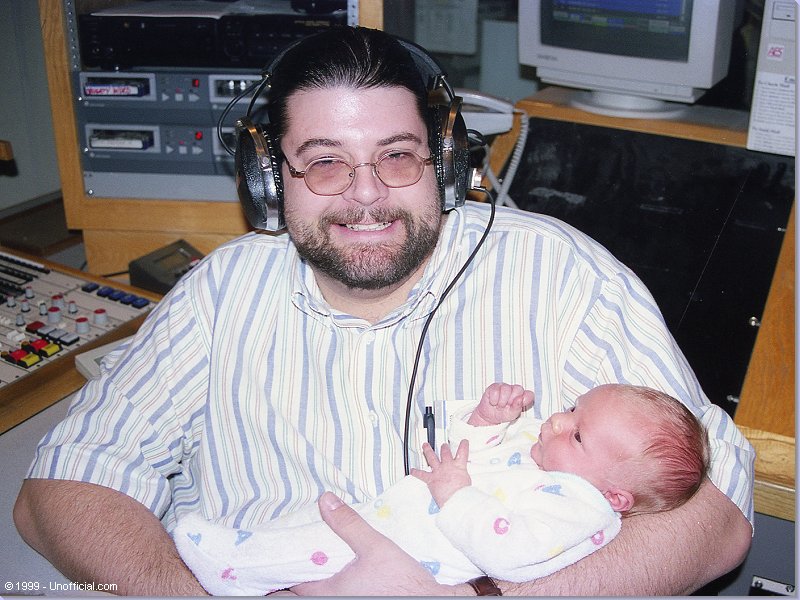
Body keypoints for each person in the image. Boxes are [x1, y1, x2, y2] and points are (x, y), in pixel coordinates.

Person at [14, 27, 753, 596]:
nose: (365, 196)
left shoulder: (561, 274)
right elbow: (61, 490)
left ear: (446, 163)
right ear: (273, 181)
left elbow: (714, 511)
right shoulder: (222, 290)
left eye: (397, 157)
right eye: (325, 160)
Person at [174, 382, 709, 596]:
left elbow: (508, 549)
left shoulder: (582, 509)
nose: (555, 422)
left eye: (577, 431)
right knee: (304, 532)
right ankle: (243, 550)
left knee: (311, 552)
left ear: (615, 496)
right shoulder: (549, 453)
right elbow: (468, 456)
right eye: (571, 408)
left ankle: (229, 569)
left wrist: (455, 493)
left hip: (421, 554)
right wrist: (486, 419)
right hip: (394, 515)